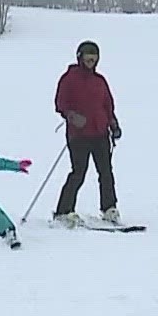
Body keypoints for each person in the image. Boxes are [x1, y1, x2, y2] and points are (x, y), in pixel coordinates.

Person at [52, 40, 122, 226]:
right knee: (78, 172)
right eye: (87, 57)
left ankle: (109, 208)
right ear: (80, 57)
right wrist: (72, 116)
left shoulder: (100, 81)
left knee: (106, 172)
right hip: (79, 135)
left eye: (94, 57)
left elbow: (108, 106)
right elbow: (60, 102)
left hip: (100, 132)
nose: (91, 60)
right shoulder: (70, 78)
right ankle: (63, 210)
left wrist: (113, 125)